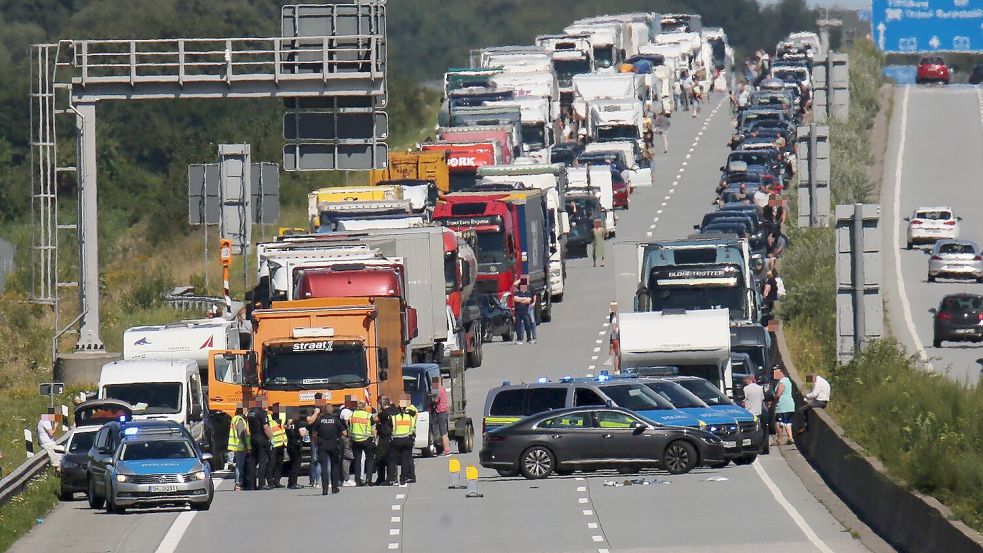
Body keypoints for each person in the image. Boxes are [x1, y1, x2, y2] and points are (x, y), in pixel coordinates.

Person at [308, 400, 346, 495]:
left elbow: (314, 433)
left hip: (322, 445)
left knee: (324, 467)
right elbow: (344, 433)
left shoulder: (319, 420)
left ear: (324, 411)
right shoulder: (336, 420)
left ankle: (325, 489)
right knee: (335, 467)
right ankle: (334, 488)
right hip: (334, 445)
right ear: (332, 411)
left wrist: (316, 443)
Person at [389, 395, 418, 485]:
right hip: (408, 437)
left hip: (398, 438)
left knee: (397, 459)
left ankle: (403, 477)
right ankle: (405, 477)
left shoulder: (408, 411)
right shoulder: (410, 413)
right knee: (406, 459)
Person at [348, 399, 377, 486]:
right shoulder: (368, 416)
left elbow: (349, 428)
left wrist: (350, 439)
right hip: (367, 439)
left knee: (357, 460)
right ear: (364, 407)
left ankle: (357, 480)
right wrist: (375, 439)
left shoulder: (352, 415)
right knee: (370, 459)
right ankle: (368, 479)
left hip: (355, 440)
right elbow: (373, 429)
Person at [247, 398, 274, 490]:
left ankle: (252, 484)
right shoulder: (262, 413)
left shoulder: (250, 412)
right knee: (263, 461)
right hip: (261, 438)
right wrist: (271, 438)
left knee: (253, 461)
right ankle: (262, 483)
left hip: (253, 438)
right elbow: (266, 427)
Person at [741, 376, 769, 455]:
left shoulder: (745, 389)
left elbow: (743, 401)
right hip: (758, 412)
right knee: (760, 430)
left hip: (749, 413)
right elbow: (762, 399)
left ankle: (750, 446)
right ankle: (761, 447)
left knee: (749, 431)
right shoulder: (760, 388)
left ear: (747, 381)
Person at [374, 395, 398, 485]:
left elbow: (375, 419)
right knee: (391, 458)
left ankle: (387, 479)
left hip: (385, 437)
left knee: (381, 458)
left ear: (382, 404)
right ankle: (391, 478)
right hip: (394, 436)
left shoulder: (384, 413)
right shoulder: (395, 410)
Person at [227, 404, 250, 491]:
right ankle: (238, 484)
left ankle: (239, 483)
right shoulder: (240, 420)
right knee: (240, 466)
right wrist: (246, 446)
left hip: (236, 445)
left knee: (239, 466)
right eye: (245, 409)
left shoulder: (234, 418)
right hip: (240, 446)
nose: (247, 411)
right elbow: (241, 434)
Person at [773, 367, 795, 446]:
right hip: (790, 405)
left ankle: (779, 440)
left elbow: (778, 394)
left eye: (776, 372)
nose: (775, 374)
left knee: (778, 423)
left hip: (782, 406)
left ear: (781, 372)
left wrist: (773, 400)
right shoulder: (788, 380)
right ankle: (790, 438)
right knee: (788, 423)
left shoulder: (782, 382)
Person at [283, 414, 304, 489]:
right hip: (296, 445)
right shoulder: (297, 423)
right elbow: (302, 433)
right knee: (296, 464)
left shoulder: (286, 424)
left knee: (292, 463)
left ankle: (290, 482)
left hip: (290, 444)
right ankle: (293, 483)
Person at [432, 376, 452, 456]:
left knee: (443, 433)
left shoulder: (438, 389)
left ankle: (446, 450)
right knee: (445, 432)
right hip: (445, 411)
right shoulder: (442, 388)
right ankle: (446, 449)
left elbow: (435, 400)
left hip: (440, 412)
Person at [339, 397, 356, 487]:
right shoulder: (346, 411)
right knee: (347, 457)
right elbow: (347, 423)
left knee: (344, 457)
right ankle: (346, 479)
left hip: (342, 437)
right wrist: (350, 434)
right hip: (345, 437)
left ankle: (341, 479)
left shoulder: (342, 409)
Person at [307, 393, 322, 488]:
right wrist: (316, 413)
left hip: (325, 437)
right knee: (314, 458)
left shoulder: (325, 410)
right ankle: (312, 480)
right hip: (314, 437)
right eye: (317, 399)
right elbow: (310, 421)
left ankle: (325, 479)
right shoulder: (311, 410)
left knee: (326, 459)